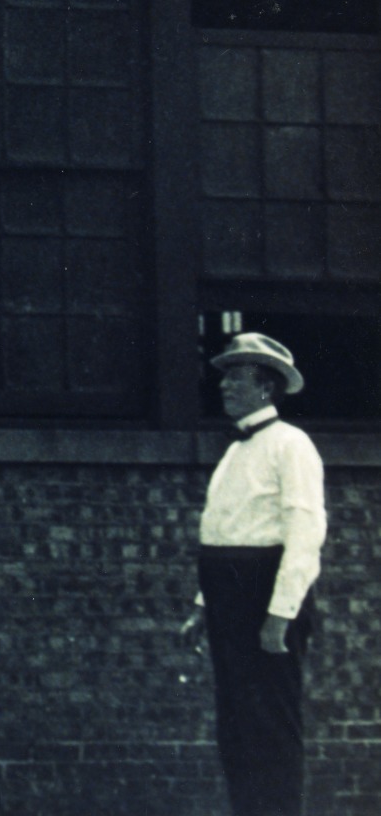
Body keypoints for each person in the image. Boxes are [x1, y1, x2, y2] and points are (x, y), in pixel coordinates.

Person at [179, 332, 326, 816]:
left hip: (264, 596)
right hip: (228, 597)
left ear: (266, 388)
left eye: (236, 379)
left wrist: (279, 614)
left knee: (271, 726)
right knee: (237, 726)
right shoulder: (236, 452)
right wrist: (204, 607)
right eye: (224, 379)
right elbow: (222, 532)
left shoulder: (291, 445)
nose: (224, 388)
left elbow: (304, 531)